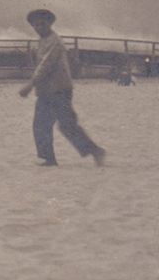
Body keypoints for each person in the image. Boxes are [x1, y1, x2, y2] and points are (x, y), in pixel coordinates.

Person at [18, 10, 106, 167]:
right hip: (45, 91)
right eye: (36, 24)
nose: (39, 27)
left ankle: (95, 151)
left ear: (49, 24)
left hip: (60, 89)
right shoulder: (41, 41)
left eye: (42, 23)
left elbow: (46, 65)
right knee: (40, 125)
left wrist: (30, 84)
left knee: (67, 125)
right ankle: (49, 158)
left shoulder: (55, 41)